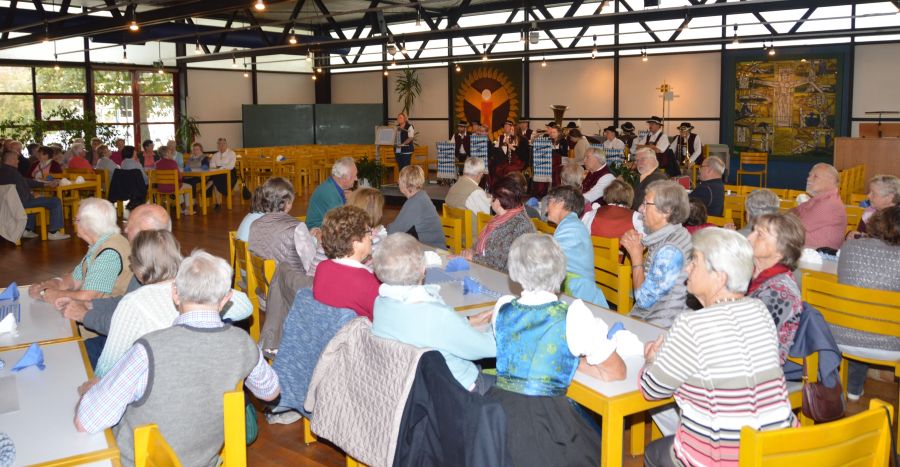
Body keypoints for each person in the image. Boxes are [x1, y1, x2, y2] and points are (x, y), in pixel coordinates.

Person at [75, 251, 280, 467]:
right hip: (205, 459)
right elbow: (271, 392)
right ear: (226, 299)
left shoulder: (148, 349)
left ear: (175, 294)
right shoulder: (242, 343)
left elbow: (86, 421)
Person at [640, 228, 797, 467]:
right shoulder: (760, 312)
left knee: (654, 452)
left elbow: (652, 390)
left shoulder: (692, 325)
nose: (687, 269)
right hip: (777, 453)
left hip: (723, 458)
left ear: (720, 277)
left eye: (695, 261)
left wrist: (651, 360)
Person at [487, 233, 626, 467]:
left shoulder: (501, 308)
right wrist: (569, 360)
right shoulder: (573, 315)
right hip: (547, 420)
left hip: (497, 414)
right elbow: (616, 372)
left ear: (515, 270)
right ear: (561, 271)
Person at [371, 233, 496, 393]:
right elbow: (488, 349)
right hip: (458, 391)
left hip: (414, 388)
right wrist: (498, 322)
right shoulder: (435, 314)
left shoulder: (381, 303)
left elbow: (430, 332)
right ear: (423, 269)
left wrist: (467, 321)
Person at [55, 204, 172, 367]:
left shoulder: (152, 273)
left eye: (128, 225)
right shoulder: (155, 262)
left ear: (143, 233)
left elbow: (126, 327)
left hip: (133, 354)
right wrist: (89, 305)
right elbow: (125, 303)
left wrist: (84, 315)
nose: (125, 230)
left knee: (67, 359)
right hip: (122, 340)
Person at [834, 206, 900, 400]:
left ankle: (853, 388)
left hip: (842, 337)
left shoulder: (850, 247)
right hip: (891, 345)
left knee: (861, 314)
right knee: (875, 318)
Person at [29, 198, 132, 303]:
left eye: (76, 220)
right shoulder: (102, 243)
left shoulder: (108, 253)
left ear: (88, 225)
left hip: (112, 313)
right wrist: (54, 283)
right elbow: (75, 278)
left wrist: (55, 294)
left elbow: (90, 297)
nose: (75, 223)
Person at [622, 180, 692, 328]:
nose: (641, 209)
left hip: (659, 327)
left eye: (647, 204)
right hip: (652, 320)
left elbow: (643, 300)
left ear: (666, 211)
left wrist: (636, 256)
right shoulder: (676, 233)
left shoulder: (671, 252)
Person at [746, 212, 805, 364]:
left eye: (759, 234)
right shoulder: (749, 275)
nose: (749, 237)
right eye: (753, 231)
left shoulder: (780, 291)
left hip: (759, 368)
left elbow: (752, 342)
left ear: (781, 249)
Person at [313, 206, 380, 320]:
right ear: (355, 243)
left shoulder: (322, 268)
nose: (371, 236)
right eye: (368, 232)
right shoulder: (370, 282)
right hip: (357, 336)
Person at [546, 185, 609, 307]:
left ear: (560, 203)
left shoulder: (572, 227)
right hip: (572, 295)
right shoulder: (570, 224)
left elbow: (550, 257)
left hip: (581, 299)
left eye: (549, 202)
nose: (546, 209)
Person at [460, 175, 535, 272]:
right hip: (486, 271)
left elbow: (501, 264)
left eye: (493, 197)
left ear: (500, 200)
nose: (491, 200)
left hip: (506, 279)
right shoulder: (500, 218)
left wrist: (473, 258)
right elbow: (483, 244)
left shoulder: (520, 225)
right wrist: (471, 251)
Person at [248, 177, 317, 276]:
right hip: (291, 288)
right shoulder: (297, 227)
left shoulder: (254, 225)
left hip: (264, 286)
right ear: (287, 203)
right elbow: (312, 266)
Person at [0, 150, 69, 240]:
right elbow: (23, 191)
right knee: (55, 201)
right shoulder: (13, 173)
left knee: (34, 201)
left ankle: (27, 230)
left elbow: (25, 181)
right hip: (21, 203)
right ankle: (54, 232)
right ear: (11, 159)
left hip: (8, 205)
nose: (18, 161)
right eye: (17, 159)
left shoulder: (3, 171)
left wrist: (45, 184)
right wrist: (33, 195)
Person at [791, 163, 846, 250]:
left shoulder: (830, 204)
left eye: (815, 176)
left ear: (830, 180)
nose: (808, 179)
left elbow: (793, 227)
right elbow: (794, 211)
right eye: (809, 175)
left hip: (821, 259)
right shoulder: (818, 199)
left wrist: (792, 218)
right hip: (806, 253)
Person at [387, 165, 444, 248]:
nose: (398, 181)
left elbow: (393, 231)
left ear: (404, 182)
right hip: (426, 247)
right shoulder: (420, 196)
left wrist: (380, 232)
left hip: (432, 251)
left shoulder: (416, 202)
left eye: (399, 179)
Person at [306, 156, 357, 229]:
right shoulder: (331, 194)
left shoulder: (332, 185)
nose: (356, 178)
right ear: (345, 178)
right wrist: (351, 202)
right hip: (318, 231)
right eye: (354, 175)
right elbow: (343, 223)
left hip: (328, 228)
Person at [154, 145, 193, 214]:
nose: (172, 153)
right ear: (167, 154)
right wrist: (181, 180)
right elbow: (179, 177)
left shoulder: (157, 164)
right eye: (170, 152)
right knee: (188, 186)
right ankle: (187, 208)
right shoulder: (172, 162)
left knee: (178, 186)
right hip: (173, 187)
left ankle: (181, 208)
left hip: (161, 188)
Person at [208, 138, 237, 208]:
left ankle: (205, 188)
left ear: (226, 144)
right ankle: (218, 203)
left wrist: (220, 167)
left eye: (223, 144)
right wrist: (221, 167)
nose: (221, 145)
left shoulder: (232, 153)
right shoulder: (215, 155)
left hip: (230, 174)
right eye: (219, 144)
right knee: (215, 179)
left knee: (215, 179)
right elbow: (211, 165)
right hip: (217, 173)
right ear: (217, 145)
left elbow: (230, 166)